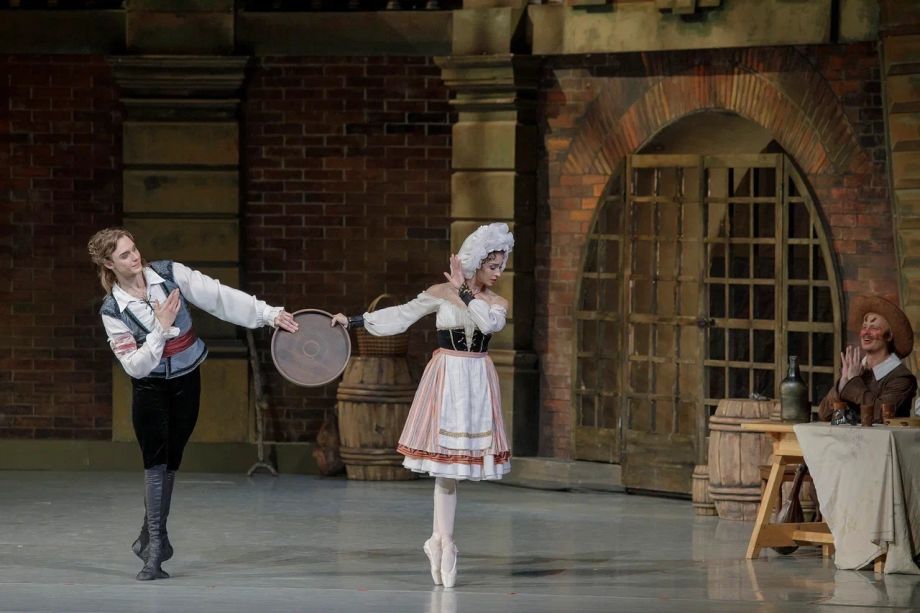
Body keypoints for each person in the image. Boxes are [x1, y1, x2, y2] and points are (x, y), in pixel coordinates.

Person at [87, 227, 298, 581]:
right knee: (155, 460)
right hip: (150, 387)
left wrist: (268, 314)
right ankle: (156, 549)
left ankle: (151, 536)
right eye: (124, 255)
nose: (134, 257)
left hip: (187, 379)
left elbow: (219, 297)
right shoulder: (113, 309)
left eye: (134, 248)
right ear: (109, 264)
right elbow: (135, 366)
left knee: (173, 458)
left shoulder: (170, 274)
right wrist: (160, 328)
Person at [332, 222, 514, 588]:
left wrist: (466, 293)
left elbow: (489, 325)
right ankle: (442, 541)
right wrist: (354, 321)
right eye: (492, 266)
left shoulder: (495, 303)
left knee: (455, 469)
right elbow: (402, 314)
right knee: (445, 466)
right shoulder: (440, 293)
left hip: (476, 380)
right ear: (476, 262)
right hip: (447, 377)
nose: (498, 273)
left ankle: (440, 540)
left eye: (501, 266)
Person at [817, 294, 917, 422]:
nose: (865, 332)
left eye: (874, 328)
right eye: (864, 327)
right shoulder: (855, 370)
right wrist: (842, 383)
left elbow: (881, 415)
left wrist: (853, 382)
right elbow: (824, 415)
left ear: (889, 336)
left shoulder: (901, 378)